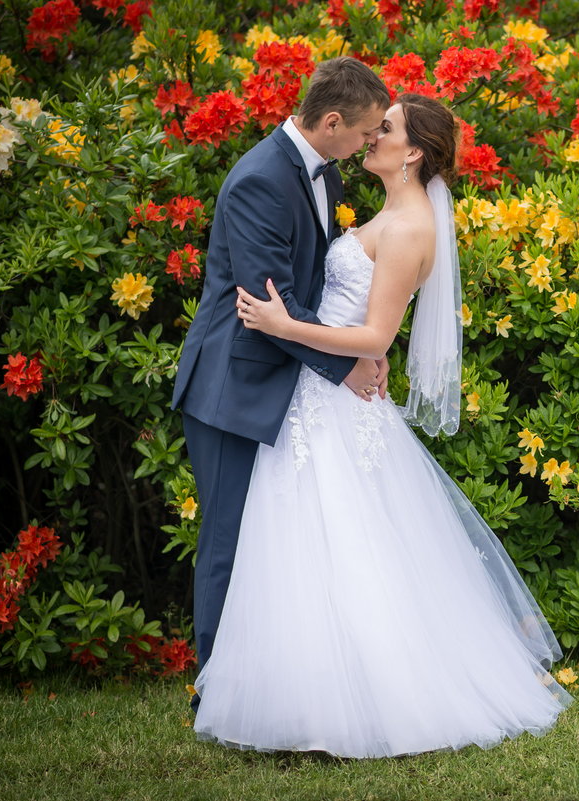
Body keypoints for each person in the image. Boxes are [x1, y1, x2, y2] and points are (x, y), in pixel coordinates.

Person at [192, 93, 574, 758]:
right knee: (303, 550)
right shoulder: (387, 209)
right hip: (318, 393)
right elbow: (363, 315)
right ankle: (295, 694)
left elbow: (375, 328)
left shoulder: (409, 227)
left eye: (386, 130)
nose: (373, 137)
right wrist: (355, 350)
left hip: (333, 399)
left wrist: (287, 326)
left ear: (414, 151)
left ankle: (352, 700)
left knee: (340, 549)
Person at [170, 58, 393, 714]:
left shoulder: (316, 170)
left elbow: (310, 292)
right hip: (231, 388)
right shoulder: (262, 181)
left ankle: (259, 689)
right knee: (227, 542)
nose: (369, 144)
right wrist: (345, 364)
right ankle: (213, 694)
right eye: (364, 132)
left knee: (268, 543)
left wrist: (361, 345)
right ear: (331, 123)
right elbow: (268, 309)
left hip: (281, 382)